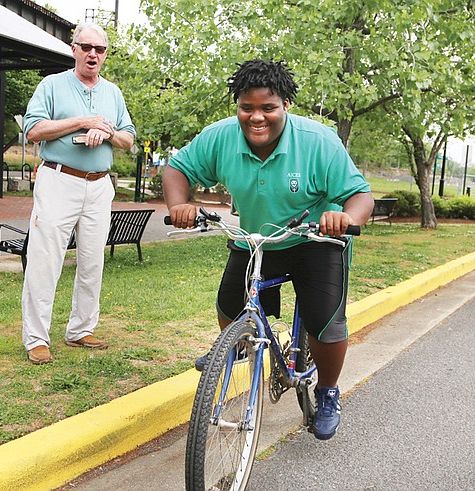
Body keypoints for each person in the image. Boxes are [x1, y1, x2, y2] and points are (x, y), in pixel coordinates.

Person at [163, 59, 374, 440]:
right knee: (230, 306)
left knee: (325, 325)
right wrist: (179, 203)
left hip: (316, 240)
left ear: (285, 107)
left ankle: (327, 391)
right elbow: (177, 170)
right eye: (247, 108)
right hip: (259, 239)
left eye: (268, 108)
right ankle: (241, 343)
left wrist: (343, 218)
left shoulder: (318, 142)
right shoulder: (220, 137)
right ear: (237, 107)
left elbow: (360, 195)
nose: (256, 117)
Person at [21, 23, 136, 365]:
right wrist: (83, 121)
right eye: (86, 47)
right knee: (45, 260)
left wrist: (106, 131)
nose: (93, 54)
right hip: (59, 180)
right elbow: (33, 130)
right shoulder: (52, 85)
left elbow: (128, 138)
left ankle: (81, 329)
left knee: (92, 261)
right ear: (74, 49)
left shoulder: (113, 93)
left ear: (105, 55)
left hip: (99, 184)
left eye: (99, 49)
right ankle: (36, 339)